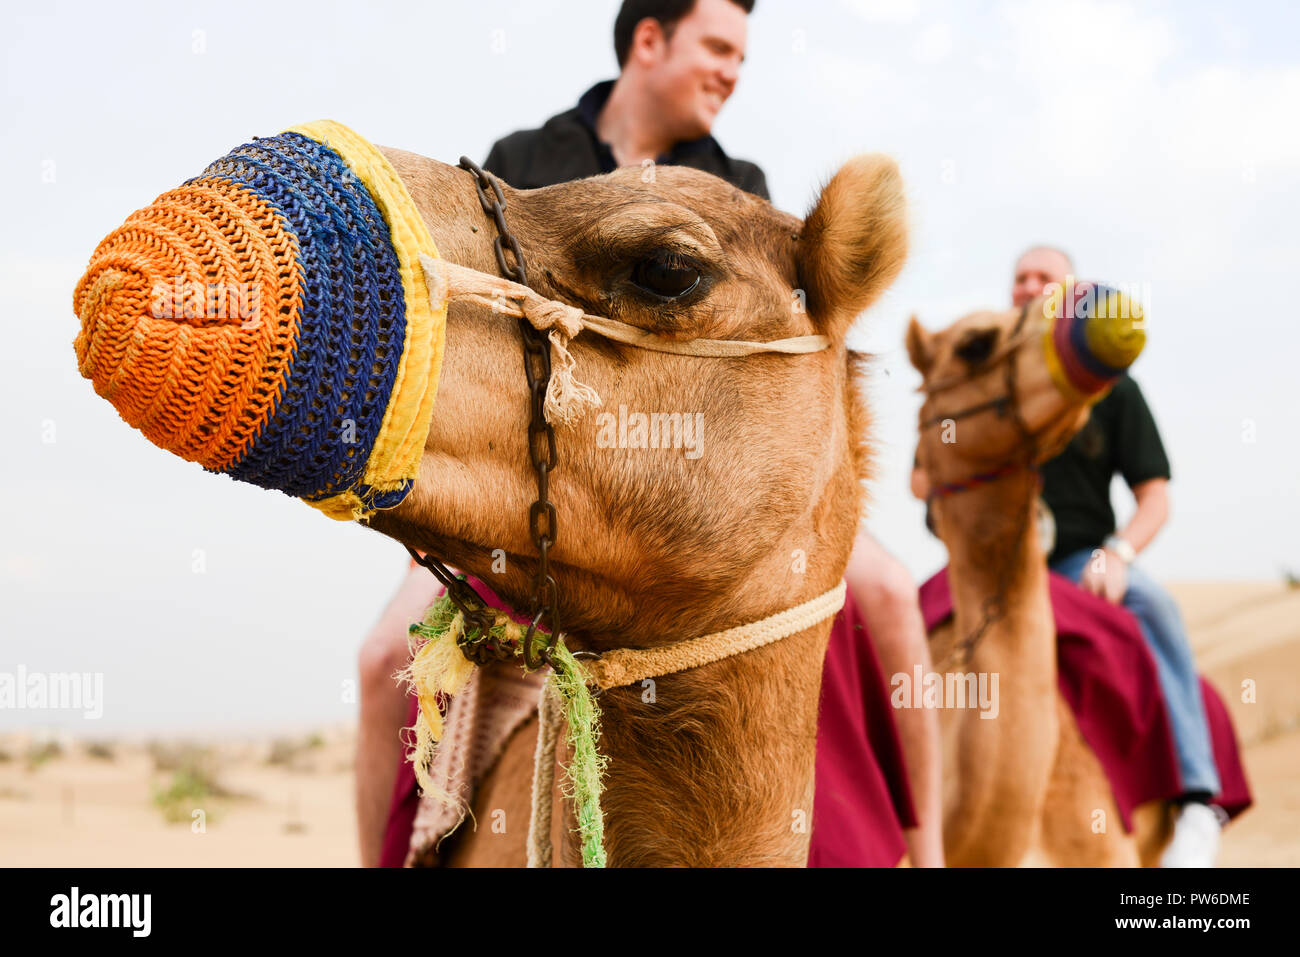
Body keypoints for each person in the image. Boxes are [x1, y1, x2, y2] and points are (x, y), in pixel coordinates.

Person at [357, 0, 943, 867]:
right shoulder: (529, 167)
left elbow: (796, 361)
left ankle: (928, 847)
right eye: (716, 46)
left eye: (740, 54)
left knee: (891, 596)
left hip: (708, 509)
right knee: (380, 663)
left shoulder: (739, 183)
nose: (731, 70)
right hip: (539, 499)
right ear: (648, 40)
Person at [1011, 245, 1223, 868]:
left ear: (1074, 296)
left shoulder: (1114, 389)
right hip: (992, 568)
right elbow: (923, 483)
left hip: (1077, 563)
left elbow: (1155, 497)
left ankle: (1196, 802)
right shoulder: (984, 378)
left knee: (1150, 603)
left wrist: (1119, 553)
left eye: (1043, 278)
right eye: (1018, 277)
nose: (1027, 287)